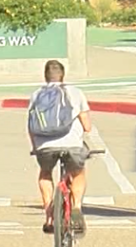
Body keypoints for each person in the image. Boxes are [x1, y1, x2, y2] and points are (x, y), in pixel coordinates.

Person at [27, 60, 92, 234]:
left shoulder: (36, 95)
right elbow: (87, 126)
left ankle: (49, 214)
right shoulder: (75, 93)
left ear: (45, 76)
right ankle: (77, 207)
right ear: (63, 76)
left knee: (45, 173)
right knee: (78, 171)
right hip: (72, 144)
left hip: (44, 145)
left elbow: (31, 125)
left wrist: (36, 146)